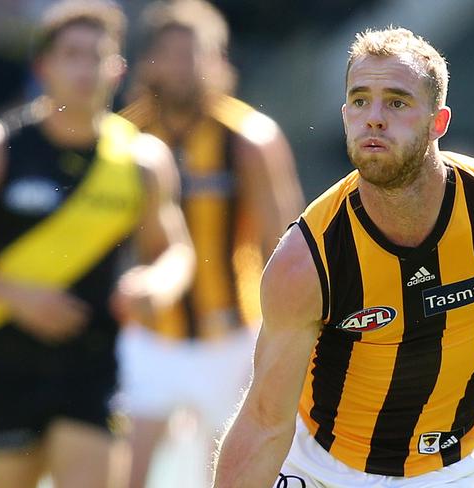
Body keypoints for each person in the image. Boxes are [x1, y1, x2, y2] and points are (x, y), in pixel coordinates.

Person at [213, 27, 474, 488]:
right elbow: (264, 421)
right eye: (359, 100)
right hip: (323, 469)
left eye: (396, 102)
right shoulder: (308, 260)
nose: (373, 118)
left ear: (439, 122)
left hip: (450, 472)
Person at [0, 2, 195, 487]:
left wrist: (154, 283)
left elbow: (176, 251)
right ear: (44, 67)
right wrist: (16, 295)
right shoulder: (0, 149)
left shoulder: (142, 160)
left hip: (93, 366)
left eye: (98, 56)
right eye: (72, 55)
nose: (86, 69)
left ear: (118, 68)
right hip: (2, 367)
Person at [116, 1, 304, 486]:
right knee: (127, 471)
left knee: (226, 472)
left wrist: (283, 333)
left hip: (230, 335)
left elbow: (282, 241)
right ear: (150, 59)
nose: (185, 65)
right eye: (172, 53)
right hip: (149, 334)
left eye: (195, 53)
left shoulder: (248, 138)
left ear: (220, 59)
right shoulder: (126, 137)